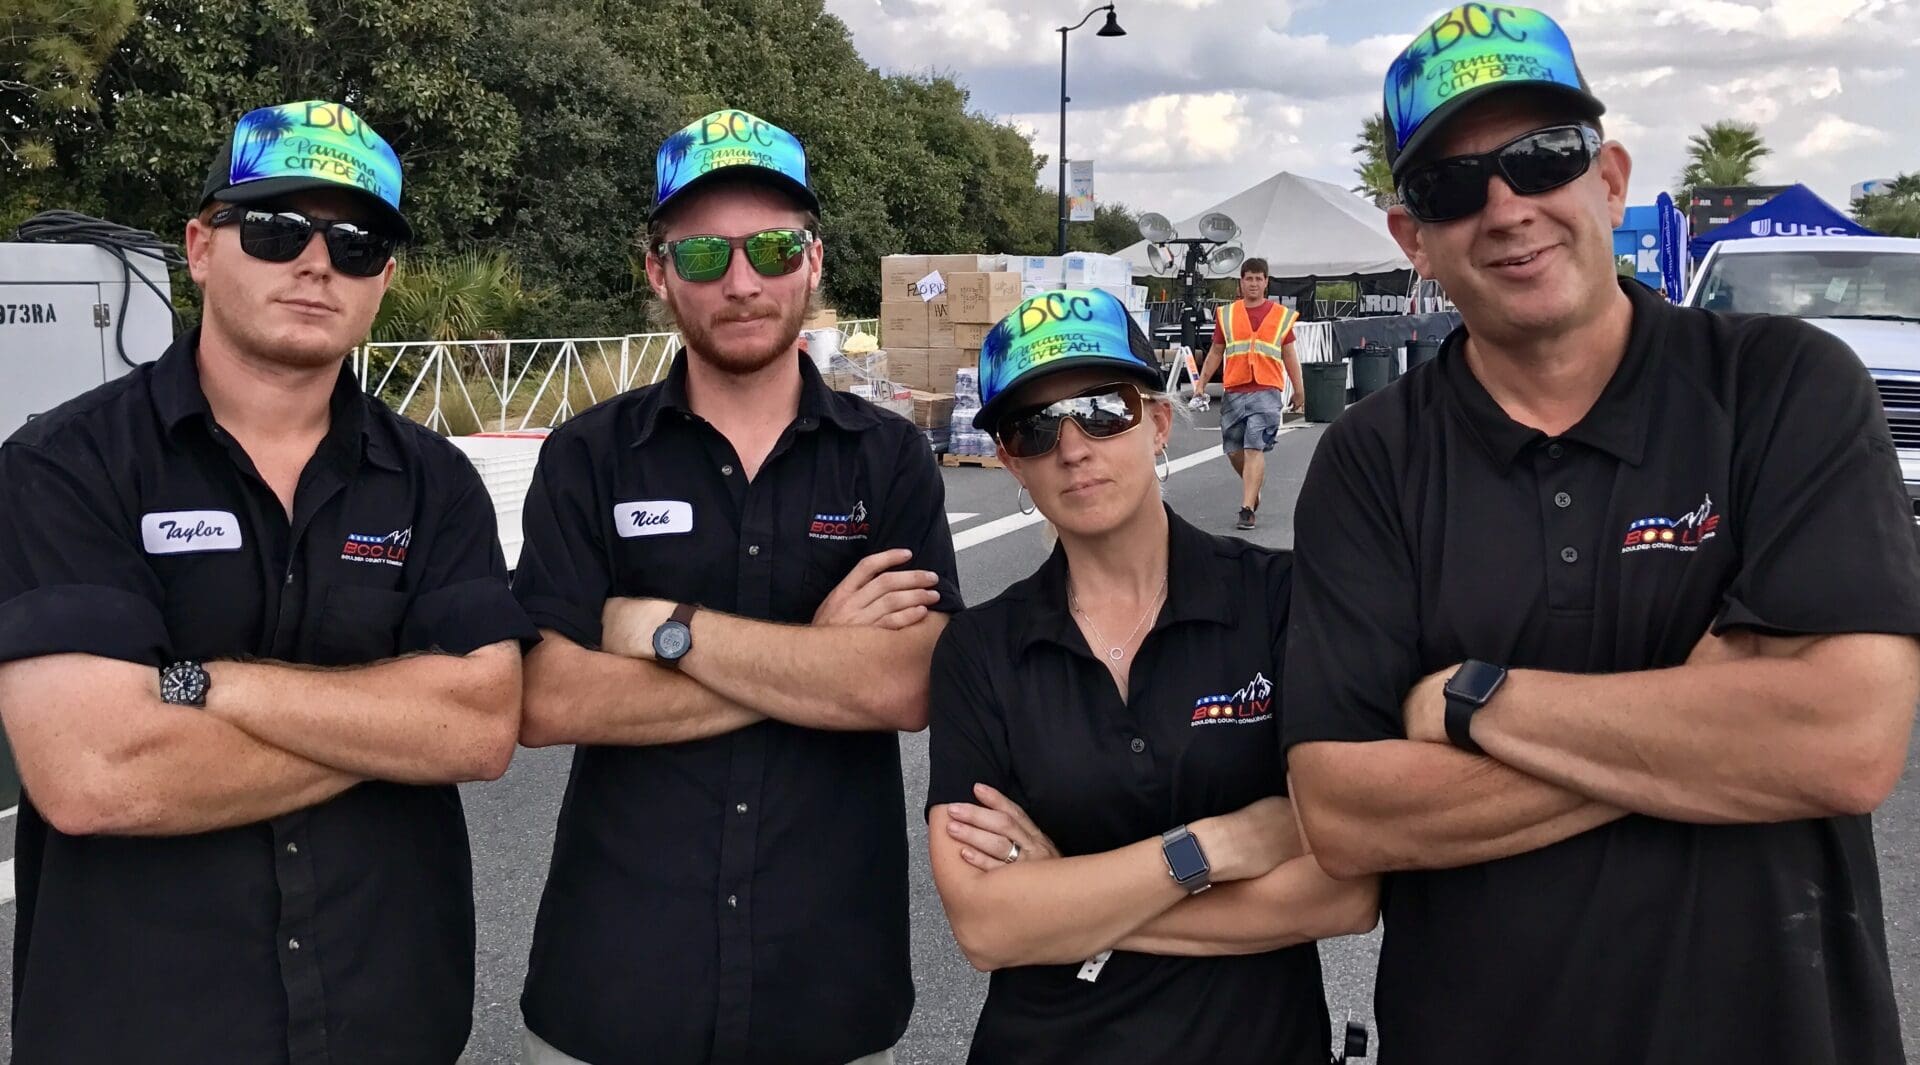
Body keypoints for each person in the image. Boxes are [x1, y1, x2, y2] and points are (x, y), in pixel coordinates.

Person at [1283, 8, 1920, 1065]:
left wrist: (1469, 701)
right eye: (1453, 185)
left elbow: (1843, 743)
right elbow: (1346, 816)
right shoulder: (1370, 460)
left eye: (1544, 158)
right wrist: (1711, 722)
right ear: (1415, 240)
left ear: (1609, 177)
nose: (1506, 207)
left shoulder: (1782, 388)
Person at [0, 100, 536, 1064]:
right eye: (278, 227)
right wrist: (396, 724)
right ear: (202, 246)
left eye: (358, 242)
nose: (317, 261)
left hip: (388, 1018)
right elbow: (95, 774)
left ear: (384, 279)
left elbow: (483, 727)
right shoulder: (63, 465)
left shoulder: (436, 480)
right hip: (141, 1027)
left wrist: (209, 684)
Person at [510, 108, 962, 1065]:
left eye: (770, 248)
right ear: (659, 273)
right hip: (628, 962)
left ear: (814, 260)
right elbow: (548, 698)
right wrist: (820, 658)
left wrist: (666, 630)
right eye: (706, 255)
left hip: (824, 961)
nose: (743, 281)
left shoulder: (888, 460)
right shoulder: (587, 458)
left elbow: (907, 685)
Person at [926, 287, 1376, 1065]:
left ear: (1158, 421)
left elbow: (1344, 889)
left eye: (1105, 409)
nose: (1073, 446)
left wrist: (1065, 896)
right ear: (1010, 461)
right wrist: (1210, 844)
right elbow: (987, 926)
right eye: (1036, 428)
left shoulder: (1279, 600)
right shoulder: (979, 649)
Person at [1191, 258, 1303, 529]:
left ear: (1266, 282)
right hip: (1235, 389)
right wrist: (1201, 384)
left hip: (1267, 389)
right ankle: (1253, 491)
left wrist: (1299, 390)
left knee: (1255, 446)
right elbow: (1216, 351)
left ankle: (1246, 509)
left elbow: (1290, 354)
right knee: (1233, 449)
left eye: (1258, 278)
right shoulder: (1227, 314)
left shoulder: (1279, 315)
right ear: (1241, 282)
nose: (1253, 283)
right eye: (1248, 278)